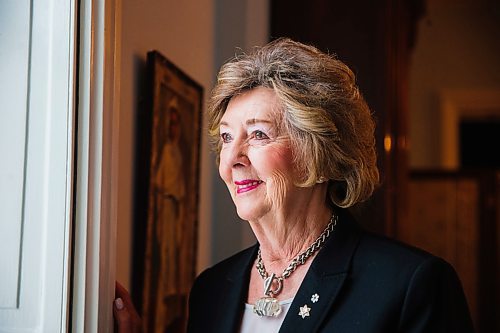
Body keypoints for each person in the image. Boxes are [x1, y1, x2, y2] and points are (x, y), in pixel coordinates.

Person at [115, 38, 474, 332]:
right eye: (226, 137)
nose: (232, 159)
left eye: (258, 134)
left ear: (317, 152)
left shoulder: (411, 284)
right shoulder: (211, 289)